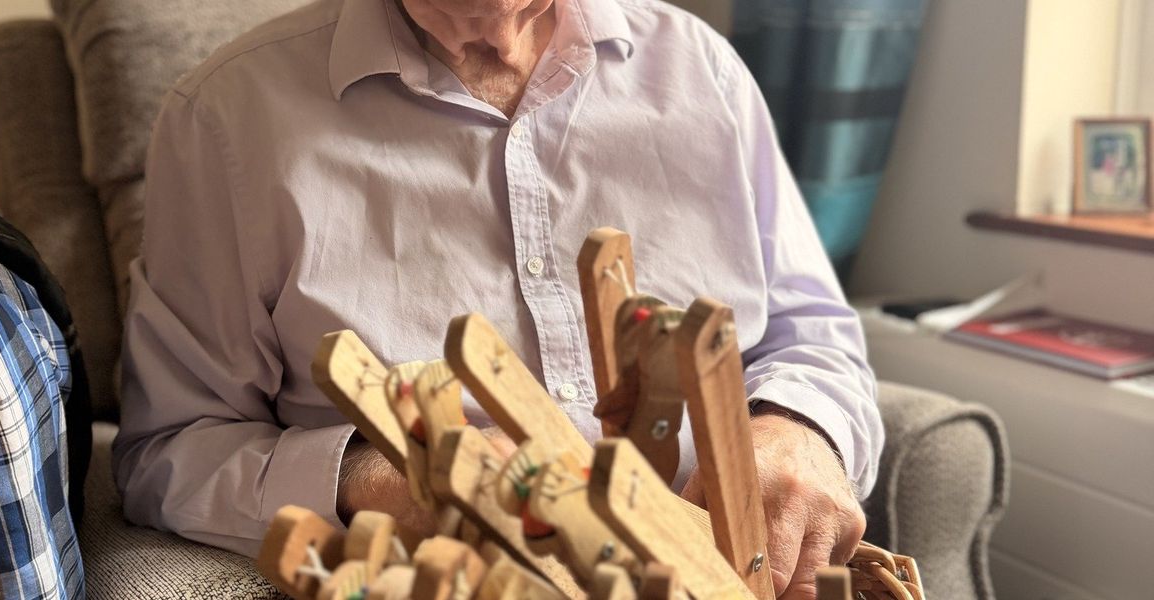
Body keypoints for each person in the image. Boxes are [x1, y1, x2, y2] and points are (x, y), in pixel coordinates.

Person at [113, 0, 884, 596]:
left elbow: (813, 332)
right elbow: (170, 452)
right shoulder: (226, 116)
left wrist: (798, 432)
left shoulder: (702, 68)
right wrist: (381, 484)